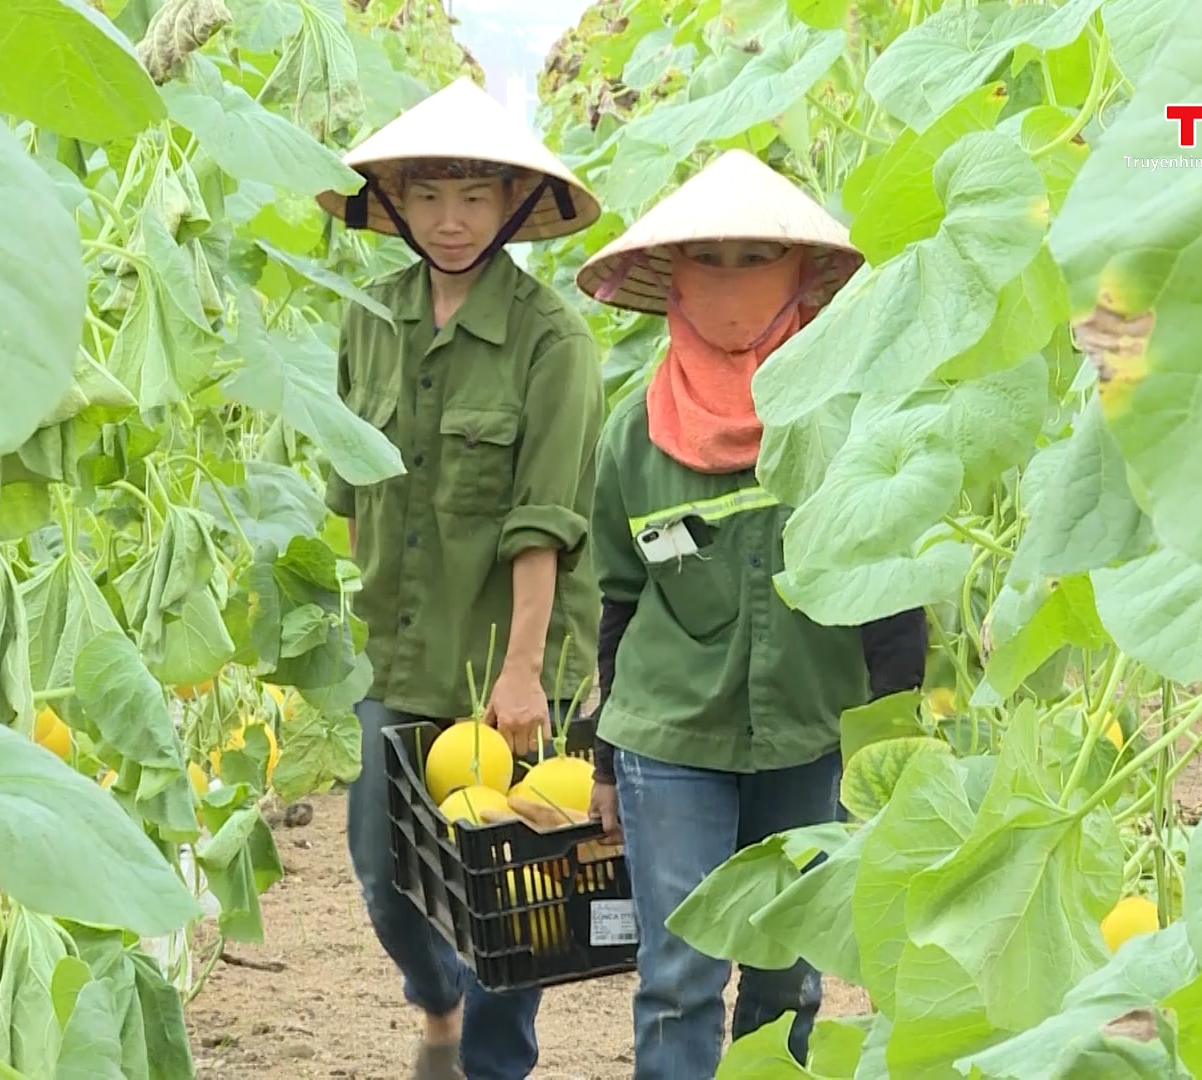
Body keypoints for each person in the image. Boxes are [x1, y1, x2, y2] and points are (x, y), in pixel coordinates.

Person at [572, 149, 929, 1077]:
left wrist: (895, 745)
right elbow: (621, 598)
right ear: (675, 282)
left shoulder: (847, 416)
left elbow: (891, 592)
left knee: (785, 973)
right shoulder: (632, 433)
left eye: (753, 260)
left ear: (801, 277)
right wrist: (603, 759)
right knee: (679, 973)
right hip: (669, 733)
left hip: (809, 732)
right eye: (710, 261)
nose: (731, 285)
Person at [315, 78, 606, 1080]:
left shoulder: (553, 341)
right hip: (394, 646)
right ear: (392, 201)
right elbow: (347, 484)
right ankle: (434, 1004)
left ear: (514, 207)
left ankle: (490, 1065)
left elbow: (547, 521)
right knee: (382, 869)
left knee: (514, 897)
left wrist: (524, 671)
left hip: (510, 654)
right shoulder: (369, 317)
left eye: (475, 196)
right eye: (428, 194)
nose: (450, 220)